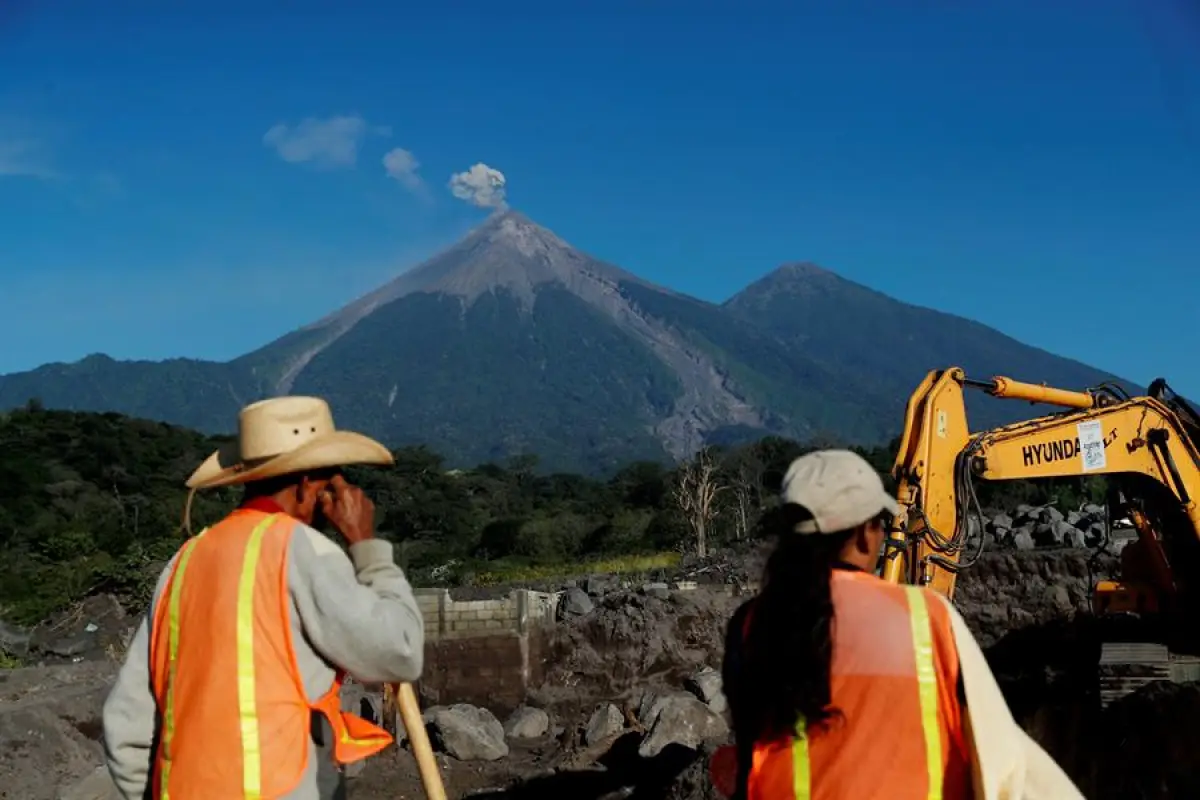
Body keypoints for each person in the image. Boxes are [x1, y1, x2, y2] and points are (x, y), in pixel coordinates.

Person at [102, 396, 426, 800]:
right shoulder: (302, 550)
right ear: (309, 484)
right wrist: (366, 545)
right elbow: (401, 651)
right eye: (333, 479)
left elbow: (126, 727)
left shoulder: (182, 565)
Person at [719, 449, 1084, 800]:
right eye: (880, 524)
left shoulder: (751, 625)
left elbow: (755, 748)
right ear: (865, 533)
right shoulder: (929, 618)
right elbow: (1000, 759)